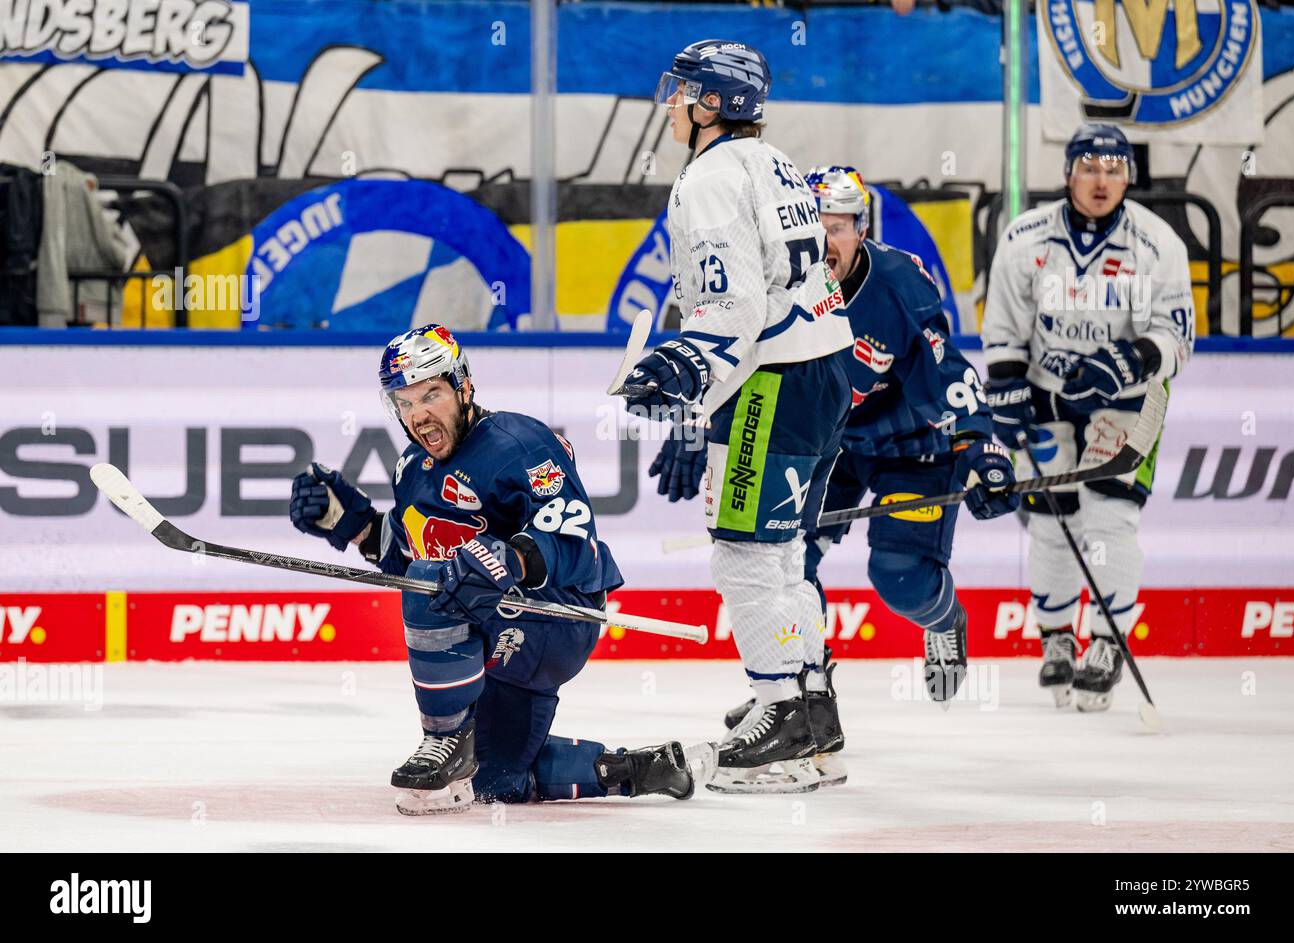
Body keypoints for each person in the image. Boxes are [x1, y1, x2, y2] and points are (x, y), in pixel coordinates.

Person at [289, 324, 700, 813]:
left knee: (431, 582)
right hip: (491, 625)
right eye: (404, 402)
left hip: (556, 618)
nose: (419, 415)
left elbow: (578, 548)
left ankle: (444, 737)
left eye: (432, 394)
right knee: (498, 778)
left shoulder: (520, 445)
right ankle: (635, 770)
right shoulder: (410, 467)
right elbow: (408, 558)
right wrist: (348, 522)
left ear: (463, 386)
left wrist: (511, 558)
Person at [721, 168, 1018, 781]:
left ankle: (945, 619)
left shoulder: (899, 283)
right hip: (833, 443)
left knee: (901, 576)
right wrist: (702, 423)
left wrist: (980, 446)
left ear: (861, 229)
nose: (826, 239)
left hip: (915, 445)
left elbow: (947, 368)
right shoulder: (781, 283)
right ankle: (801, 695)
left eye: (838, 227)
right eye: (814, 226)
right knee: (786, 563)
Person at [625, 40, 854, 794]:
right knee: (785, 556)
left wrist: (686, 367)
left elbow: (736, 304)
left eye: (683, 90)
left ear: (713, 103)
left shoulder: (711, 177)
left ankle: (781, 716)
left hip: (774, 379)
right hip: (827, 369)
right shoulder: (777, 162)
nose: (671, 102)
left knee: (747, 555)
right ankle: (812, 710)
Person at [982, 124, 1194, 711]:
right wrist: (1004, 384)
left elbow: (1177, 336)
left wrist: (1128, 359)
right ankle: (1056, 638)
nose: (1102, 181)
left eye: (1115, 169)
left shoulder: (1157, 243)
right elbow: (1003, 325)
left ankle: (1107, 641)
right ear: (1069, 172)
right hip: (1048, 395)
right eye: (1090, 167)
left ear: (1129, 176)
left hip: (1126, 402)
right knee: (1050, 521)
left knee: (1110, 520)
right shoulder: (1026, 237)